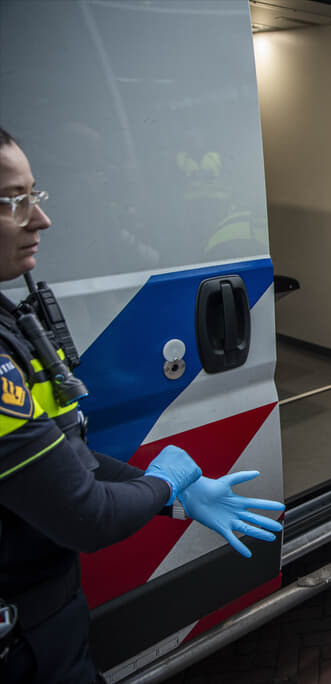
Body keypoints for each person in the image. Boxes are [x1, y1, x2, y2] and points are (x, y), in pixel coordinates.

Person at [0, 126, 285, 683]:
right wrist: (166, 481)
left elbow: (60, 458)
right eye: (15, 201)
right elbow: (87, 517)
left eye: (37, 196)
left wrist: (169, 496)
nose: (40, 219)